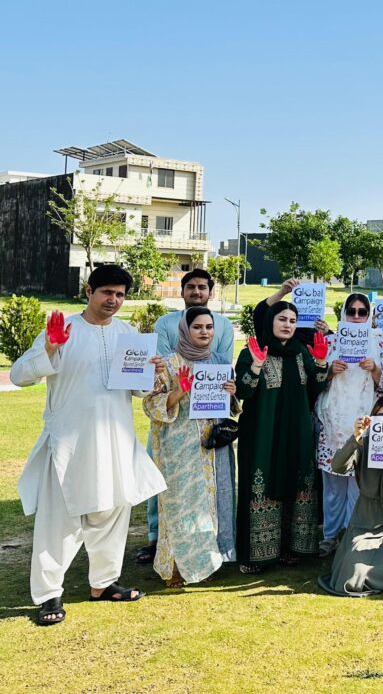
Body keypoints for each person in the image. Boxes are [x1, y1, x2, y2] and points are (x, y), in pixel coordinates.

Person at [11, 265, 166, 625]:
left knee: (113, 511)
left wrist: (153, 375)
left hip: (115, 438)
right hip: (68, 440)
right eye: (106, 293)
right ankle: (49, 594)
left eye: (120, 295)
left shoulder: (128, 334)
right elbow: (20, 375)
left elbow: (138, 389)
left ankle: (104, 583)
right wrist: (48, 350)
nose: (113, 300)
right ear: (89, 291)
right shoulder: (64, 329)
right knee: (59, 521)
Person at [138, 267, 235, 565]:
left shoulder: (221, 346)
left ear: (210, 291)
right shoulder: (167, 349)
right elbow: (153, 401)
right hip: (177, 437)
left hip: (212, 436)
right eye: (190, 287)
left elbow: (223, 385)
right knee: (174, 494)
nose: (204, 332)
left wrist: (231, 393)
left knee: (214, 495)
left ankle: (215, 553)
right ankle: (166, 549)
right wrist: (179, 391)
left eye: (202, 287)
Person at [234, 301, 329, 573]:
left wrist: (321, 363)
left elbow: (316, 387)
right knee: (261, 483)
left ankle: (292, 549)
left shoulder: (301, 353)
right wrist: (255, 366)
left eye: (292, 320)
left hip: (297, 431)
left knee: (296, 479)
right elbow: (243, 391)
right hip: (262, 432)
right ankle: (255, 555)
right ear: (270, 322)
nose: (287, 324)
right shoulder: (251, 351)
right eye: (282, 319)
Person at [315, 293, 383, 557]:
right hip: (333, 423)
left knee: (358, 485)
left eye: (363, 312)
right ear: (344, 313)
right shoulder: (330, 341)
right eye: (352, 311)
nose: (357, 316)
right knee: (332, 487)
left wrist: (375, 370)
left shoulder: (381, 342)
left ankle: (351, 535)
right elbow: (314, 381)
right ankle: (329, 536)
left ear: (369, 315)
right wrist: (329, 371)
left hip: (364, 422)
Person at [318, 393, 383, 596]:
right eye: (381, 416)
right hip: (364, 521)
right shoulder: (363, 444)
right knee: (352, 572)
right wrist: (355, 436)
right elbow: (338, 466)